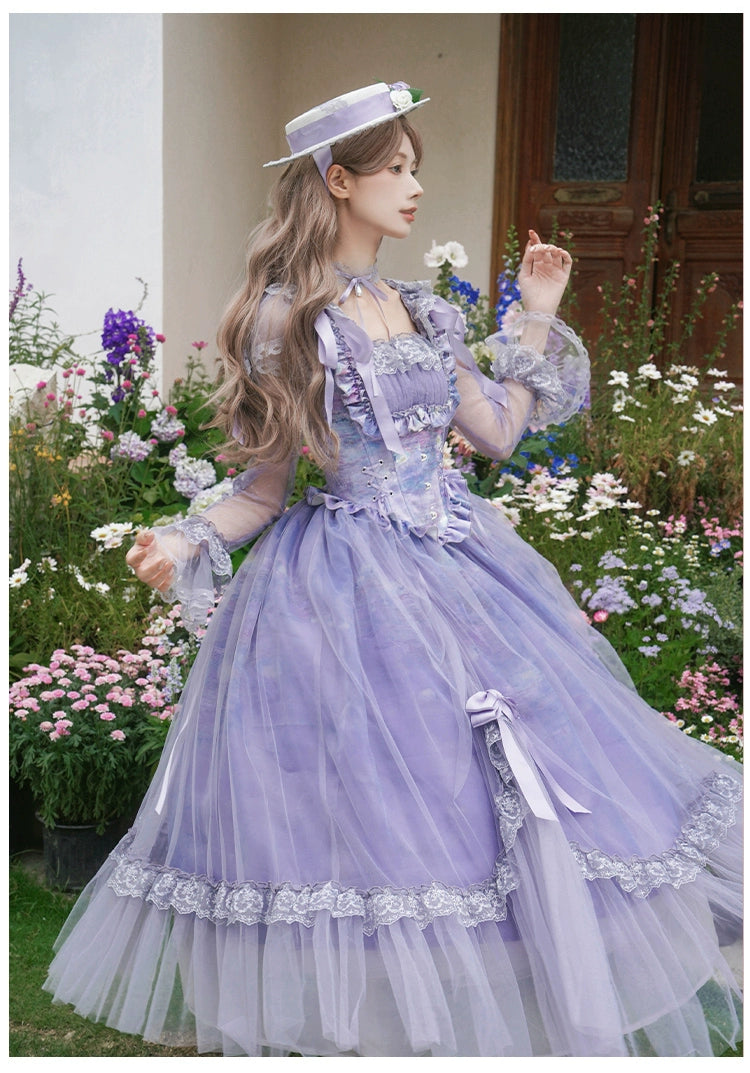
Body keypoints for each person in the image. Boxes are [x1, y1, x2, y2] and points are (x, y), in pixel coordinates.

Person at [44, 80, 742, 1058]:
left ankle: (491, 1012)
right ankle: (374, 1023)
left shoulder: (418, 310)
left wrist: (535, 314)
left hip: (460, 565)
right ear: (340, 181)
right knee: (377, 816)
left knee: (510, 793)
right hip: (343, 589)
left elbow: (496, 431)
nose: (415, 186)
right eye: (397, 168)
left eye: (416, 168)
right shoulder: (288, 320)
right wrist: (186, 540)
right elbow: (262, 487)